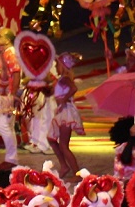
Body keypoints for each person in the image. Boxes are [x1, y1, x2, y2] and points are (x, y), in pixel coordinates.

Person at [0, 28, 20, 168]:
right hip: (2, 96)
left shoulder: (10, 53)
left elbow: (16, 74)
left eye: (0, 36)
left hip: (6, 97)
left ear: (8, 40)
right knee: (7, 126)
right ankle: (12, 159)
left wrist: (12, 95)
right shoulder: (5, 53)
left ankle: (11, 159)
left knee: (3, 126)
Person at [51, 51, 83, 179]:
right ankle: (64, 166)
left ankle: (76, 173)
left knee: (63, 145)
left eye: (57, 65)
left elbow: (74, 88)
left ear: (63, 66)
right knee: (51, 139)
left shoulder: (65, 79)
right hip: (61, 112)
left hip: (66, 113)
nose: (55, 67)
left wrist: (64, 99)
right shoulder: (62, 79)